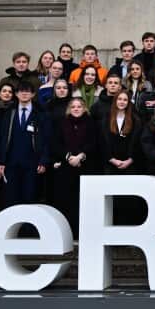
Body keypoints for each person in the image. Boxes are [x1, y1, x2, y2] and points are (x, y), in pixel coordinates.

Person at [0, 81, 52, 207]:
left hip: (33, 163)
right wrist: (0, 162)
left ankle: (28, 227)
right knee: (11, 199)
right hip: (11, 163)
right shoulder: (9, 113)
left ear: (33, 94)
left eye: (28, 91)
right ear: (16, 94)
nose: (24, 94)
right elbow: (3, 139)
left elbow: (47, 139)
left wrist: (43, 161)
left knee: (30, 198)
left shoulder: (41, 114)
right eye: (21, 91)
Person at [51, 97, 97, 234]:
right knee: (67, 200)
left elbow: (94, 143)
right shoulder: (62, 123)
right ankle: (68, 231)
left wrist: (81, 156)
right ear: (69, 109)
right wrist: (69, 157)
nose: (76, 109)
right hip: (66, 167)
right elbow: (56, 143)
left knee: (83, 200)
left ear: (84, 109)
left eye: (79, 106)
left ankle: (82, 231)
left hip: (85, 167)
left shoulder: (91, 123)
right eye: (73, 107)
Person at [101, 90, 145, 225]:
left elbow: (138, 143)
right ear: (115, 101)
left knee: (129, 198)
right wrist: (111, 159)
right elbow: (102, 141)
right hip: (111, 165)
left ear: (128, 102)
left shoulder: (136, 120)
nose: (122, 102)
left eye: (125, 100)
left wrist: (130, 160)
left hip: (129, 165)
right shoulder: (106, 118)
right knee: (113, 198)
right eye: (119, 99)